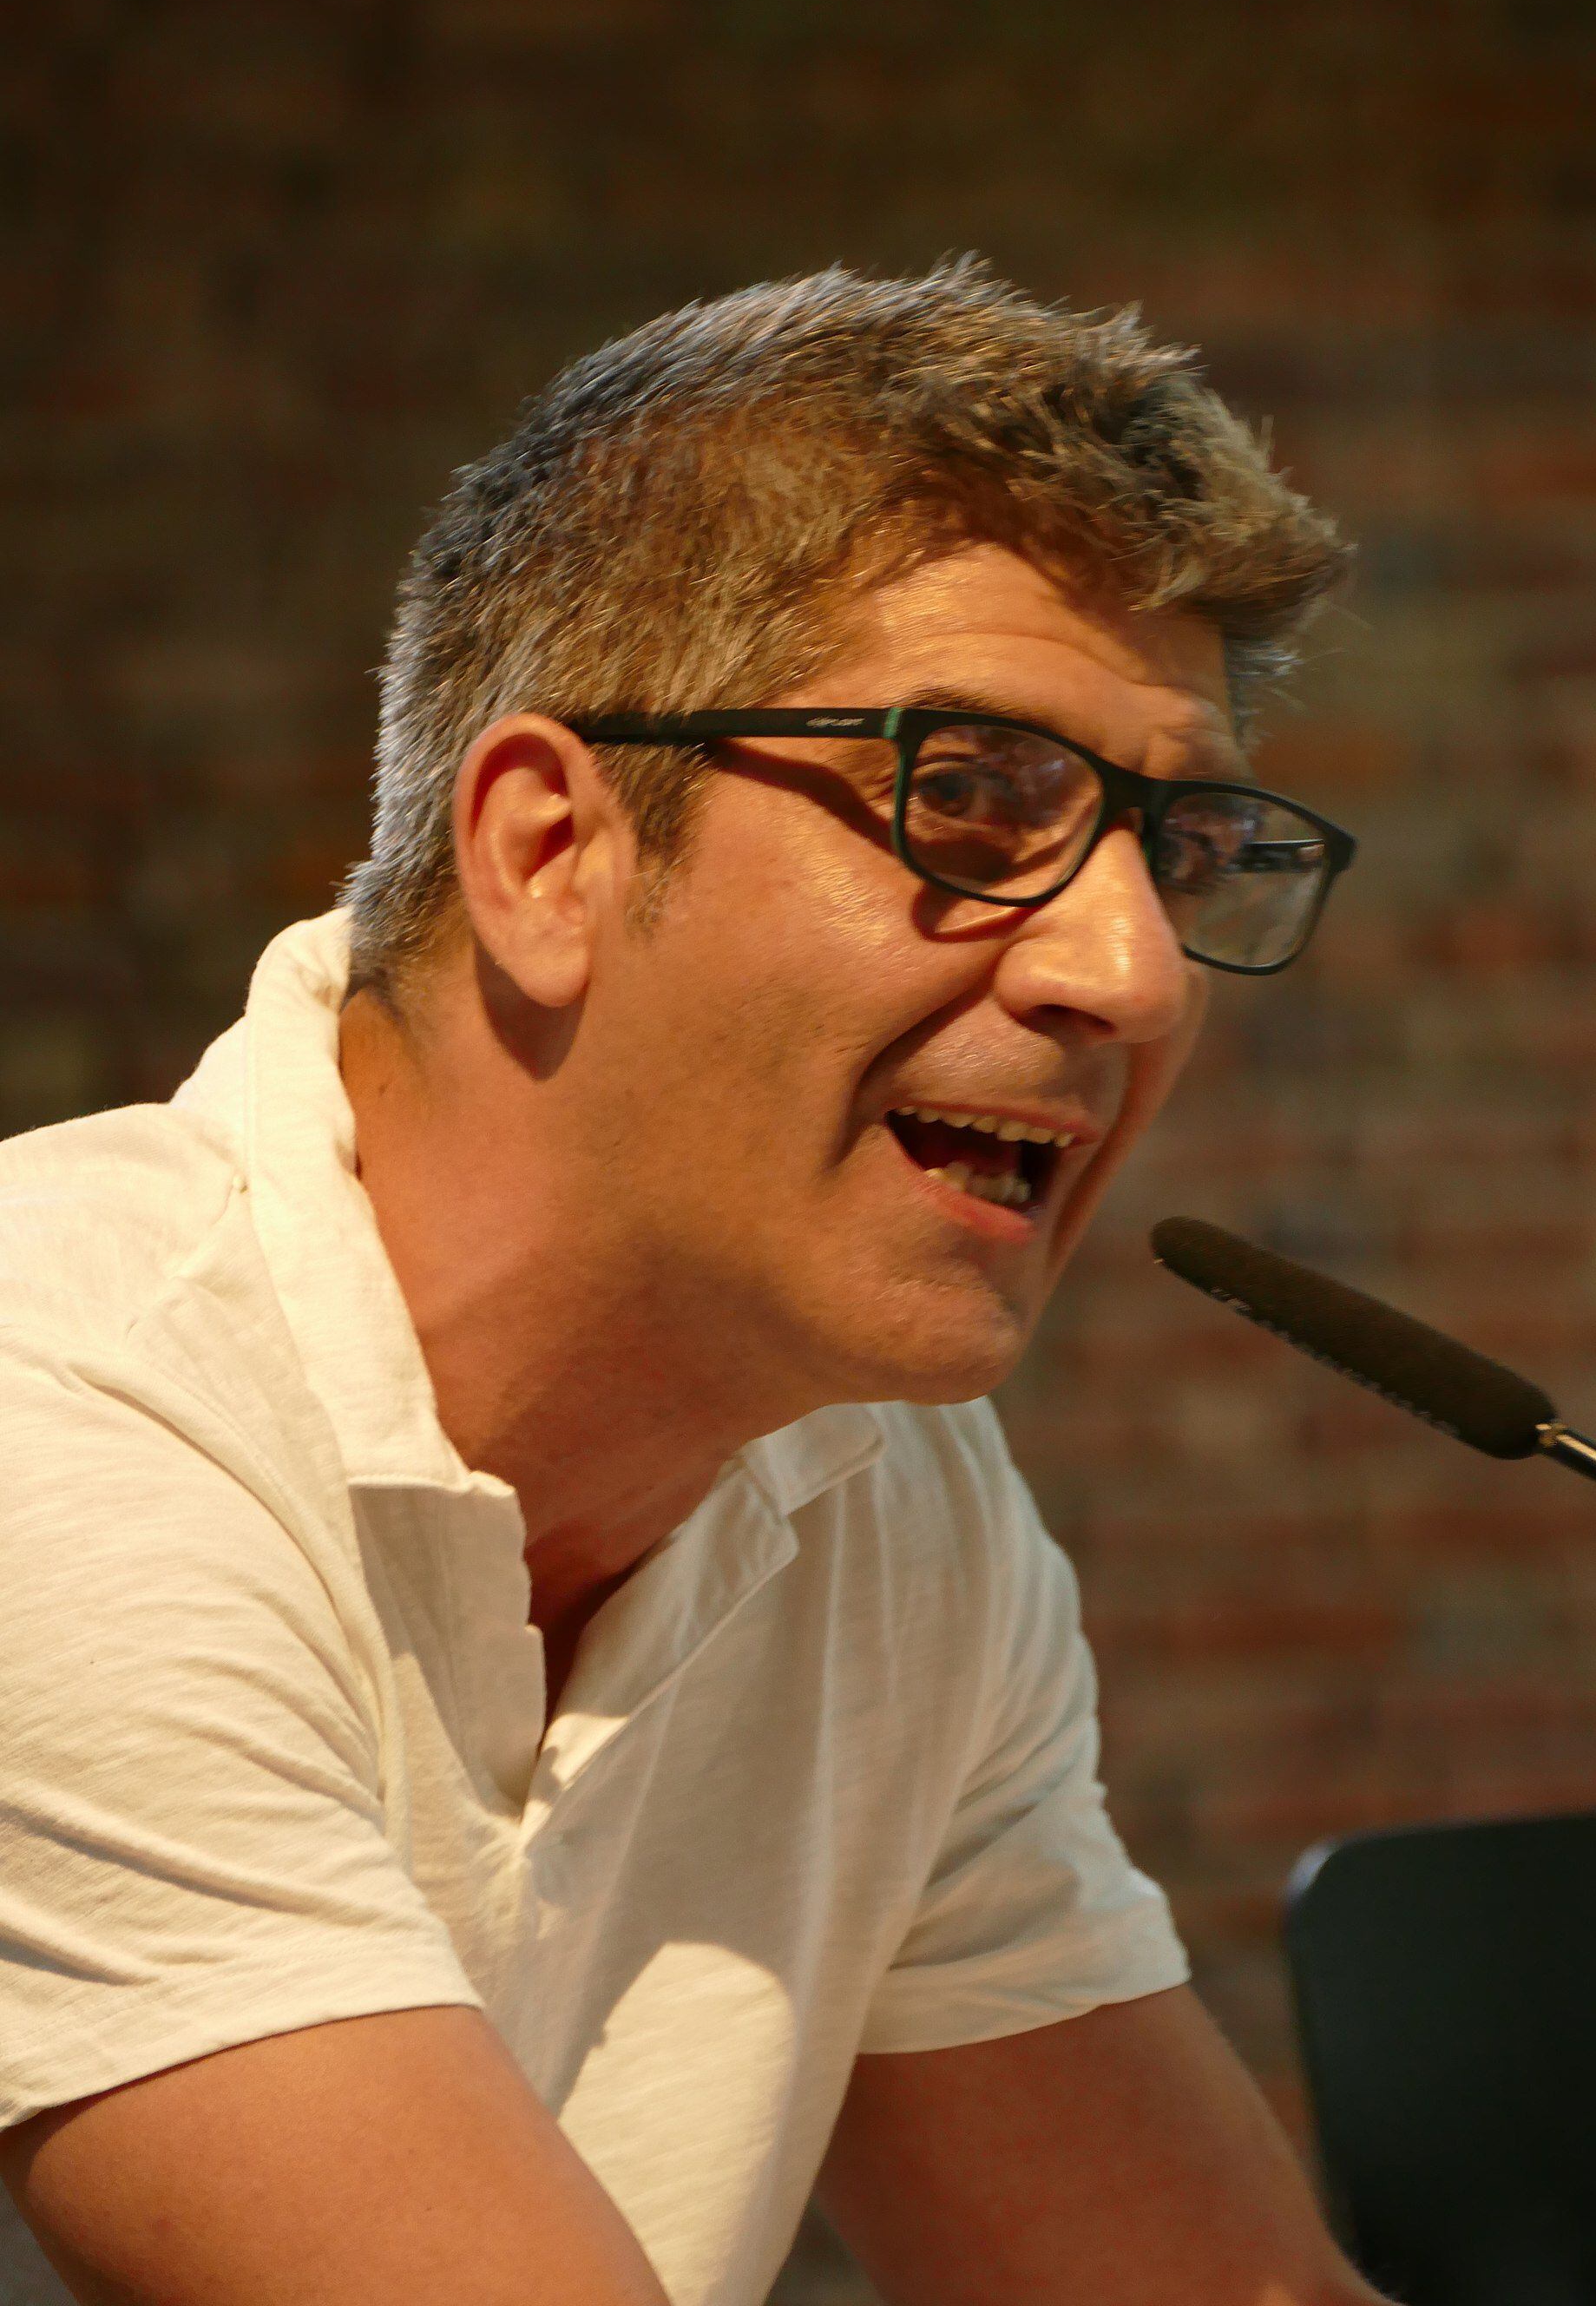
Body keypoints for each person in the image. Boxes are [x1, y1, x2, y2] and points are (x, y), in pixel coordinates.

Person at [0, 262, 1385, 2306]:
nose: (1138, 978)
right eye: (971, 798)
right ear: (549, 857)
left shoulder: (892, 1510)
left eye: (1176, 855)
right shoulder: (56, 1420)